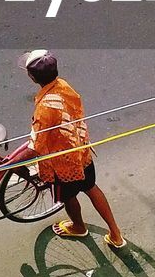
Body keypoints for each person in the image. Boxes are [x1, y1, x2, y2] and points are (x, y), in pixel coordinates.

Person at [23, 50, 125, 248]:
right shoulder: (63, 86)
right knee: (91, 188)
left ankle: (78, 226)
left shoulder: (45, 107)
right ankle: (116, 233)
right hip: (81, 151)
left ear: (32, 77)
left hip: (62, 163)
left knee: (68, 196)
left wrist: (8, 165)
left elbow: (37, 144)